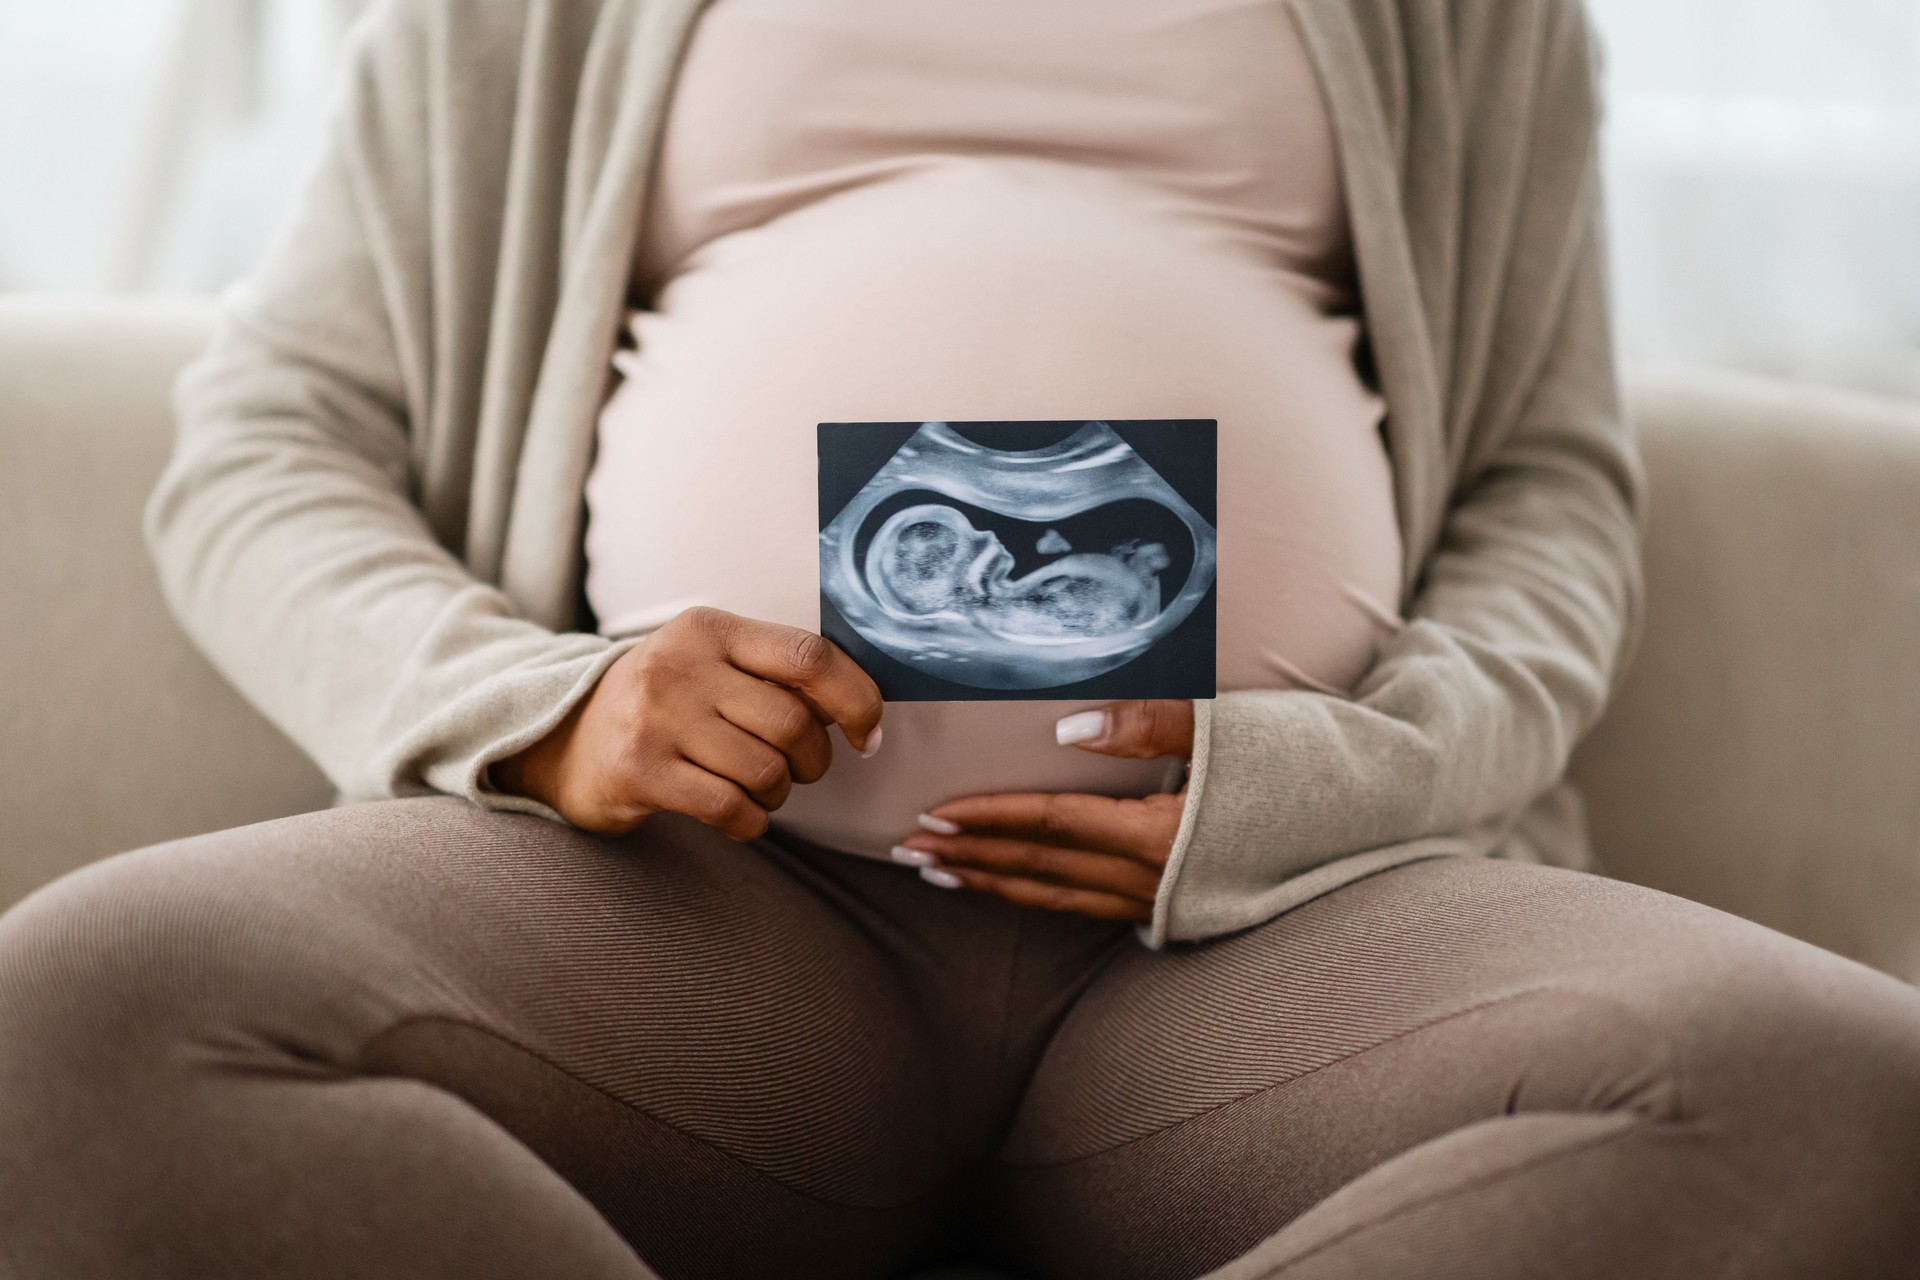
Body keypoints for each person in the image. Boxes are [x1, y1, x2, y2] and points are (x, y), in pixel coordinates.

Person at [3, 1, 1919, 1276]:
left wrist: (1330, 778)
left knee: (1835, 1093)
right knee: (75, 1014)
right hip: (706, 916)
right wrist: (542, 711)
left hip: (1271, 933)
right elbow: (268, 446)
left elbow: (1549, 494)